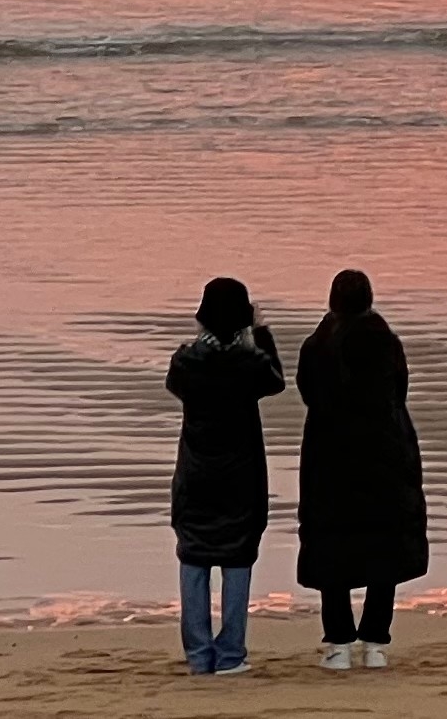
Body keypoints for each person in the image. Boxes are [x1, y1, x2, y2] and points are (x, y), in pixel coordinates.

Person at [297, 266, 429, 670]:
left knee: (332, 544)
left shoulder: (316, 346)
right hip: (383, 453)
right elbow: (399, 392)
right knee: (383, 544)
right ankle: (375, 642)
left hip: (329, 456)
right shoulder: (387, 344)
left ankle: (338, 643)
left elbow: (307, 393)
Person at [165, 276, 283, 675]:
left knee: (193, 556)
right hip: (240, 476)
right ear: (244, 318)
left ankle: (199, 656)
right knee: (237, 557)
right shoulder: (251, 365)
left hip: (196, 474)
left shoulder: (185, 362)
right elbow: (276, 382)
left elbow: (174, 384)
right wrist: (262, 333)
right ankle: (231, 653)